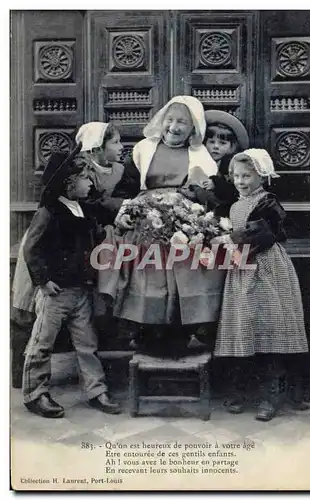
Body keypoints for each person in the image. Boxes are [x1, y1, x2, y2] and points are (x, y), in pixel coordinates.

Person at [98, 95, 225, 357]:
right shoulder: (144, 149)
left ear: (193, 128)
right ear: (161, 121)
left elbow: (210, 196)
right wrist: (128, 208)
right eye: (170, 120)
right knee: (147, 264)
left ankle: (181, 331)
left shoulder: (200, 155)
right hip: (147, 215)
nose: (174, 127)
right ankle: (147, 331)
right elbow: (126, 187)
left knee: (187, 259)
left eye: (182, 122)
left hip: (185, 214)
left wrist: (193, 199)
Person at [22, 143, 121, 418]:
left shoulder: (82, 209)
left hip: (81, 289)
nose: (90, 183)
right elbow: (31, 248)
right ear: (69, 184)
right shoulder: (49, 211)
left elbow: (93, 238)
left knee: (87, 344)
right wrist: (42, 281)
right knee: (43, 342)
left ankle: (95, 390)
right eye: (85, 179)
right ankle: (35, 393)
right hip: (56, 291)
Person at [214, 148, 309, 422]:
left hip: (267, 267)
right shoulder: (234, 205)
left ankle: (272, 395)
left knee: (270, 325)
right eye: (236, 176)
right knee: (245, 326)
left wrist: (231, 238)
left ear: (262, 175)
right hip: (242, 268)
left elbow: (270, 233)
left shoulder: (268, 202)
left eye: (247, 175)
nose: (241, 181)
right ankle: (243, 390)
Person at [181, 110, 249, 217]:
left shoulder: (231, 166)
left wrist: (216, 184)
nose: (216, 146)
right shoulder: (197, 160)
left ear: (231, 147)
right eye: (211, 142)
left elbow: (235, 191)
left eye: (222, 143)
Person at [75, 121, 140, 225]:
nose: (121, 147)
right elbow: (86, 204)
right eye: (115, 142)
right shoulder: (83, 174)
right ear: (97, 149)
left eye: (120, 141)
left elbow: (127, 196)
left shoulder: (121, 170)